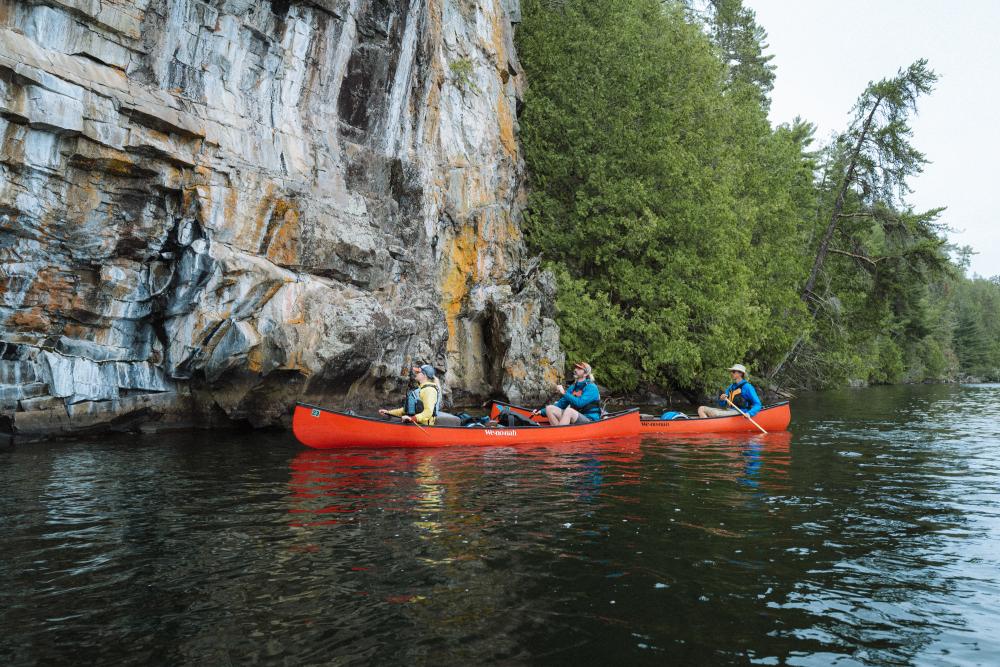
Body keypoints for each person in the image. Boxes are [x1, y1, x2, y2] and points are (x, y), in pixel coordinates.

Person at [533, 362, 602, 426]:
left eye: (579, 369)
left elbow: (580, 403)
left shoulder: (591, 387)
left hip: (590, 420)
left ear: (585, 374)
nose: (575, 370)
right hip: (575, 418)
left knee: (569, 411)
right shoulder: (572, 387)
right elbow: (561, 404)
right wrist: (541, 412)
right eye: (576, 368)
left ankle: (558, 434)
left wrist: (564, 393)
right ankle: (557, 433)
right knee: (549, 408)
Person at [697, 364, 762, 418]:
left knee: (714, 413)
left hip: (741, 412)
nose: (731, 373)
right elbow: (722, 404)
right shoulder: (731, 387)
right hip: (729, 410)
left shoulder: (747, 387)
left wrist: (749, 414)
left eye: (733, 371)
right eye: (731, 371)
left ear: (740, 374)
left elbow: (758, 404)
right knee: (701, 408)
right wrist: (722, 399)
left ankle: (707, 426)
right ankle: (707, 425)